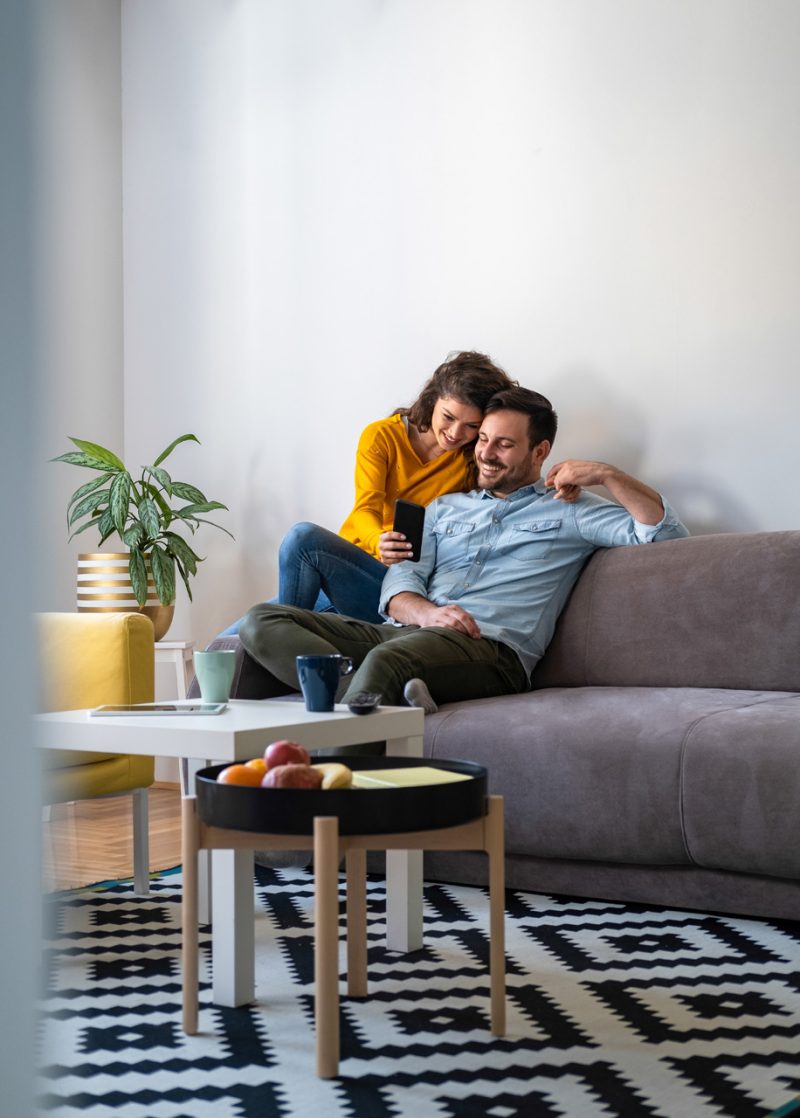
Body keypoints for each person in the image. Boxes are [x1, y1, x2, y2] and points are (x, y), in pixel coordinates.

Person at [238, 386, 689, 712]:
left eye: (505, 444)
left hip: (492, 653)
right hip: (411, 633)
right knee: (262, 621)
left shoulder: (569, 507)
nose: (487, 454)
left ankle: (324, 805)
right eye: (484, 440)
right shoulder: (441, 508)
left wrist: (610, 475)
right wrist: (425, 613)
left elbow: (665, 536)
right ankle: (372, 698)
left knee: (388, 659)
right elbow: (403, 576)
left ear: (540, 451)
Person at [218, 351, 516, 634]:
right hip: (348, 567)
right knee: (225, 646)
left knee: (301, 544)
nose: (455, 433)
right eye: (448, 417)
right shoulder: (383, 437)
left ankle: (281, 641)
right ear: (432, 401)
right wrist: (378, 539)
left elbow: (514, 471)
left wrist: (564, 469)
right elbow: (366, 509)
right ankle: (282, 640)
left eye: (471, 426)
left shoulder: (471, 459)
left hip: (396, 587)